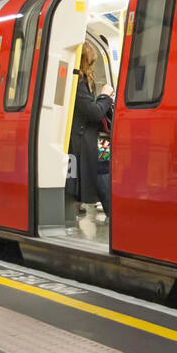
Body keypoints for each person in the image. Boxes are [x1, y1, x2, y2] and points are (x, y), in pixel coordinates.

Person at [68, 41, 114, 237]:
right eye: (91, 62)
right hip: (91, 139)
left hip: (97, 137)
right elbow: (94, 112)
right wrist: (105, 96)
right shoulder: (78, 85)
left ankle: (112, 209)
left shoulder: (83, 83)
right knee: (103, 171)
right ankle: (113, 210)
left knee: (105, 169)